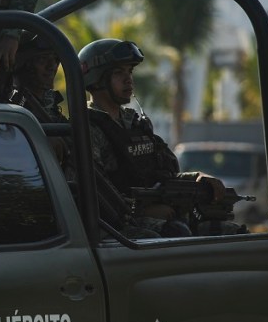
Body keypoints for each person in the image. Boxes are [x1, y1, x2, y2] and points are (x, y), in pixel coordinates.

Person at [79, 38, 231, 236]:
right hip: (115, 226)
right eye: (118, 72)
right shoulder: (87, 128)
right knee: (176, 232)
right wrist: (142, 211)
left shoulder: (135, 124)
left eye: (129, 72)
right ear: (96, 79)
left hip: (154, 214)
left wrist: (197, 179)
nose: (128, 79)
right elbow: (92, 193)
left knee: (227, 230)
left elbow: (160, 175)